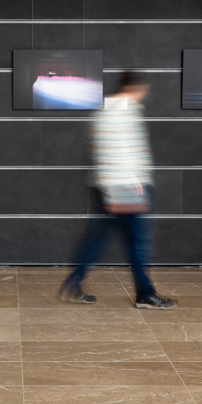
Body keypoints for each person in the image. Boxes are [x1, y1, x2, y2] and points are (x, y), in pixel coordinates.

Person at [60, 70, 176, 309]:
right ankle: (145, 294)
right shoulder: (121, 110)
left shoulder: (108, 109)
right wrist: (129, 186)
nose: (145, 92)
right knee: (137, 242)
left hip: (111, 185)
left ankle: (73, 283)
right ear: (135, 87)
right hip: (125, 186)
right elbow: (113, 151)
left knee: (98, 237)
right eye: (143, 88)